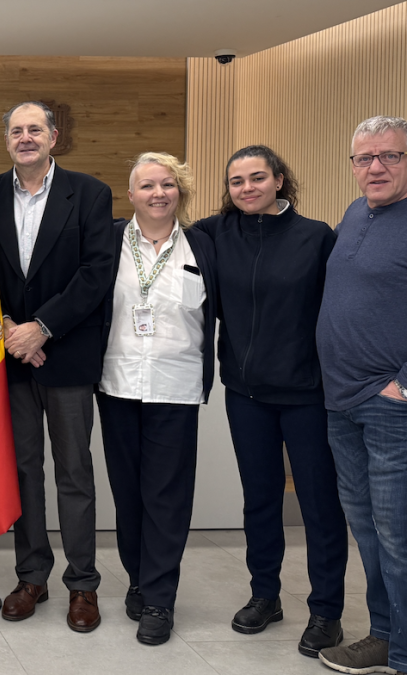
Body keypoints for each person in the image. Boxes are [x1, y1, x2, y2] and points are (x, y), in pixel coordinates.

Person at [194, 145, 348, 658]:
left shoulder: (316, 236)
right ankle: (266, 596)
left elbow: (339, 310)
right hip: (246, 393)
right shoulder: (217, 233)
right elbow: (155, 233)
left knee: (318, 504)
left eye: (257, 178)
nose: (246, 188)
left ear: (279, 179)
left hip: (307, 393)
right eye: (236, 181)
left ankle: (326, 610)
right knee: (259, 499)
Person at [0, 101, 115, 632]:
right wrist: (14, 328)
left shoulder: (89, 193)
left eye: (35, 129)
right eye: (16, 130)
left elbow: (95, 271)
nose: (25, 137)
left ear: (54, 137)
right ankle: (32, 575)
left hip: (66, 355)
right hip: (10, 356)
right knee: (23, 472)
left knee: (74, 474)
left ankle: (82, 585)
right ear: (7, 141)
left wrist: (43, 327)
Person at [97, 152, 217, 645]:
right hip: (117, 383)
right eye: (147, 185)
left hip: (176, 387)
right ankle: (139, 578)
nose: (158, 193)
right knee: (128, 495)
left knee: (166, 497)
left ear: (180, 192)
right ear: (131, 195)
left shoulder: (204, 246)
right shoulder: (106, 242)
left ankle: (161, 600)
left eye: (167, 184)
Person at [316, 115, 407, 675]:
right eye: (364, 158)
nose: (375, 167)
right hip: (341, 402)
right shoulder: (354, 214)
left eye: (390, 156)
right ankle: (383, 635)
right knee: (369, 529)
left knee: (397, 533)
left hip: (390, 405)